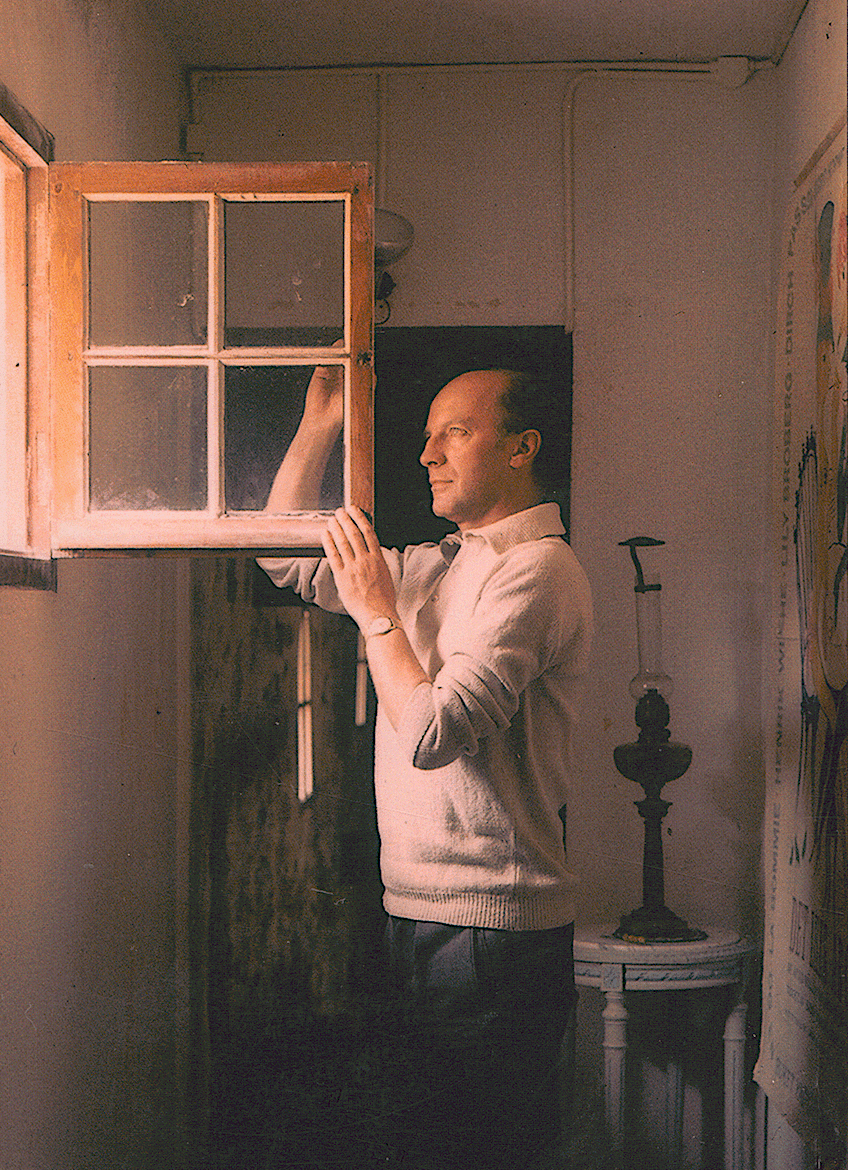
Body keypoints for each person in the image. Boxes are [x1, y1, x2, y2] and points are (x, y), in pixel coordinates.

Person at [261, 363, 594, 1169]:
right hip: (420, 914)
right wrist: (320, 425)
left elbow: (431, 733)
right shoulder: (440, 563)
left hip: (491, 936)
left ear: (521, 447)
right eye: (427, 436)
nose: (427, 455)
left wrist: (377, 613)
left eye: (456, 432)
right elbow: (283, 559)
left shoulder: (539, 569)